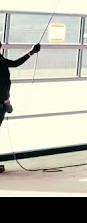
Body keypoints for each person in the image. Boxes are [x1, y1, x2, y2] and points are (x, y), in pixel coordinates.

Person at [0, 43, 40, 173]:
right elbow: (2, 85)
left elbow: (15, 63)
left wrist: (31, 52)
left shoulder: (1, 60)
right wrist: (7, 103)